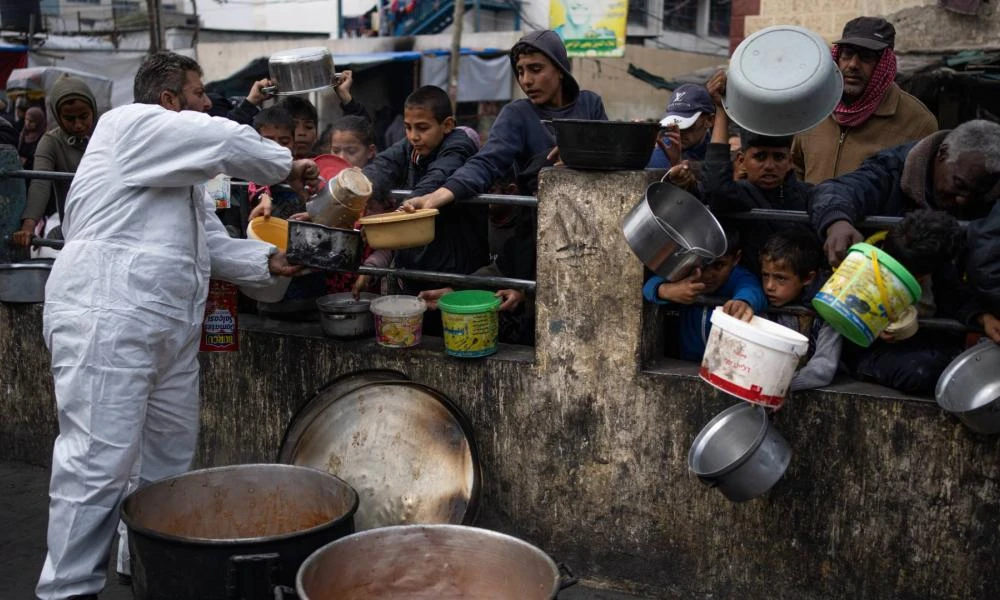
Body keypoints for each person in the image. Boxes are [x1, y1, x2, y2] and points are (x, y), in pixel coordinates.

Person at [35, 51, 317, 600]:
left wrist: (269, 262)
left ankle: (139, 561)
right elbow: (228, 140)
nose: (207, 101)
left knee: (167, 462)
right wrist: (288, 165)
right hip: (107, 315)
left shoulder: (181, 179)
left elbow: (209, 245)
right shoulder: (129, 126)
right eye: (198, 91)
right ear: (168, 100)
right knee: (96, 464)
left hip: (167, 329)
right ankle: (66, 591)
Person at [400, 29, 608, 213]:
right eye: (520, 71)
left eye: (535, 69)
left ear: (560, 70)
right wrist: (436, 196)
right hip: (539, 225)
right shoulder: (517, 114)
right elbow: (487, 162)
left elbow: (612, 156)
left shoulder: (590, 104)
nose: (526, 80)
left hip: (592, 216)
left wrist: (580, 154)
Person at [359, 85, 483, 311]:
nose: (413, 136)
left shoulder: (459, 145)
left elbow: (437, 177)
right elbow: (381, 167)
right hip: (414, 267)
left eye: (422, 128)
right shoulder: (410, 146)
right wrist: (353, 191)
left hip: (454, 270)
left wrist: (403, 211)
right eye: (408, 127)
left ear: (447, 125)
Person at [809, 119, 1000, 266]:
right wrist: (837, 221)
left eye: (977, 191)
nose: (962, 199)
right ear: (942, 153)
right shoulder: (891, 168)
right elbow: (838, 189)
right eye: (959, 184)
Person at [791, 17, 937, 184]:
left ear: (885, 64)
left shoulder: (917, 122)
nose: (853, 64)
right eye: (847, 54)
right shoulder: (813, 109)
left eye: (866, 56)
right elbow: (796, 170)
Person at [845, 210, 969, 394]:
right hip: (870, 350)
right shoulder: (867, 261)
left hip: (926, 345)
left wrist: (979, 316)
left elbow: (958, 305)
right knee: (922, 372)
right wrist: (871, 327)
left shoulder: (942, 271)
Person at [701, 70, 813, 274]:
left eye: (778, 157)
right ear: (742, 160)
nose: (769, 166)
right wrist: (721, 110)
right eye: (760, 157)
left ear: (790, 161)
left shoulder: (809, 196)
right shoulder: (740, 196)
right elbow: (715, 186)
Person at [642, 226, 767, 362]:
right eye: (701, 264)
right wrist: (668, 291)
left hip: (724, 366)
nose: (707, 274)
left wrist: (743, 302)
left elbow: (751, 288)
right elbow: (648, 286)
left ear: (736, 259)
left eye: (718, 266)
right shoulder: (685, 272)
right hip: (686, 363)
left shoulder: (738, 277)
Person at [11, 75, 99, 248]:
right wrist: (29, 226)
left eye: (84, 116)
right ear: (58, 117)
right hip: (75, 229)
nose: (79, 125)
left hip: (112, 223)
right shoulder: (51, 142)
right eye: (70, 119)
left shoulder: (107, 133)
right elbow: (40, 184)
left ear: (93, 110)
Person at [759, 229, 842, 391]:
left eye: (780, 278)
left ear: (807, 278)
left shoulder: (827, 312)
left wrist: (780, 387)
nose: (769, 286)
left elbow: (822, 369)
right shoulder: (762, 305)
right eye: (765, 275)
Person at [647, 83, 715, 172]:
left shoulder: (718, 154)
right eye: (672, 125)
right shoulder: (658, 158)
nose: (678, 131)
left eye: (686, 125)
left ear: (709, 120)